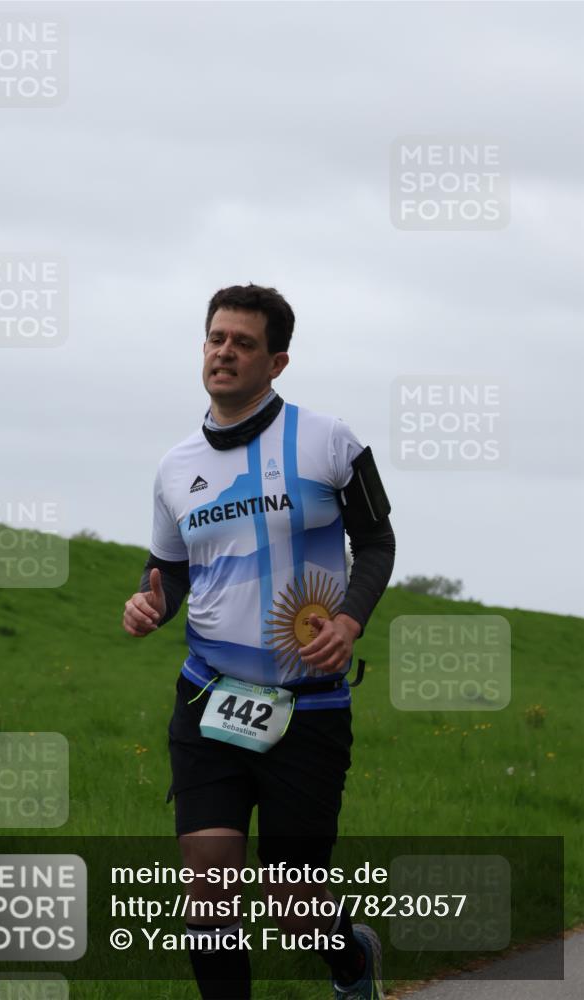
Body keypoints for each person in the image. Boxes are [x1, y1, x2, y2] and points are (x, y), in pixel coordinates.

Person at [123, 284, 395, 999]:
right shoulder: (175, 466)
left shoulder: (329, 440)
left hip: (308, 707)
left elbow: (376, 541)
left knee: (291, 901)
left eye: (243, 343)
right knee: (209, 891)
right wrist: (150, 603)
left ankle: (351, 960)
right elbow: (170, 570)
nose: (224, 352)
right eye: (216, 338)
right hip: (208, 698)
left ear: (276, 363)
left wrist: (349, 621)